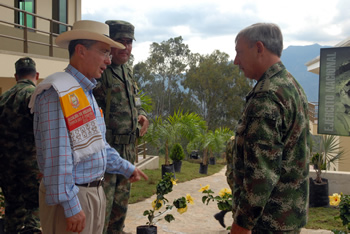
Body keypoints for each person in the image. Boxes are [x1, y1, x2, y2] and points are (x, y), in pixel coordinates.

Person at [29, 20, 148, 234]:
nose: (108, 59)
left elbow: (96, 145)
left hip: (92, 193)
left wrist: (126, 167)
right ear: (81, 51)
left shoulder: (85, 93)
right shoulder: (57, 93)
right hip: (74, 199)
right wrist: (71, 206)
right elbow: (57, 156)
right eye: (104, 51)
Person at [227, 23, 310, 234]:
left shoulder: (267, 96)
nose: (236, 61)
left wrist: (241, 227)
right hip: (285, 219)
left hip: (266, 223)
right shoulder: (291, 85)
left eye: (239, 52)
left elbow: (261, 175)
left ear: (259, 48)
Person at [93, 20, 149, 234]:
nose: (126, 47)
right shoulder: (100, 72)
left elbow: (135, 101)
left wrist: (142, 115)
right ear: (109, 43)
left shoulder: (127, 71)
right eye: (121, 42)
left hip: (127, 151)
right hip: (106, 152)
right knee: (102, 213)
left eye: (129, 42)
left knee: (119, 212)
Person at [0, 57, 41, 233]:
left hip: (6, 166)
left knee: (12, 210)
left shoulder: (3, 99)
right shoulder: (35, 96)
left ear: (16, 76)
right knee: (35, 210)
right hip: (31, 167)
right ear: (36, 75)